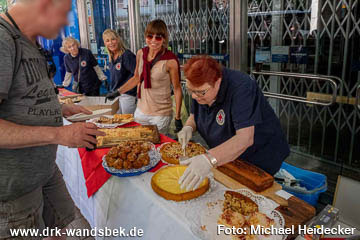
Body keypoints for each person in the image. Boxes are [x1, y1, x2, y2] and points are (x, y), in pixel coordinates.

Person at [0, 0, 105, 239]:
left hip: (44, 171)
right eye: (63, 13)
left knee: (62, 229)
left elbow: (25, 98)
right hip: (14, 191)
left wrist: (58, 108)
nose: (66, 23)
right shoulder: (3, 41)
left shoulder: (28, 42)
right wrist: (58, 134)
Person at [177, 55, 290, 191]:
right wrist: (188, 127)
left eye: (200, 92)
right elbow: (194, 115)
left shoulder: (242, 87)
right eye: (190, 91)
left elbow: (245, 138)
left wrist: (209, 159)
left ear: (218, 82)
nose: (194, 96)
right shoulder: (200, 87)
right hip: (226, 157)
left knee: (252, 195)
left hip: (258, 157)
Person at [106, 19, 183, 133]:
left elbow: (177, 89)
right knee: (140, 146)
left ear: (164, 39)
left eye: (158, 37)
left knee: (156, 147)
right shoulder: (140, 53)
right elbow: (136, 78)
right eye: (150, 36)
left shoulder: (170, 60)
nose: (153, 41)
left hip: (161, 115)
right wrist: (117, 92)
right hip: (141, 111)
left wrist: (177, 117)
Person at [102, 29, 136, 114]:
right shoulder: (111, 57)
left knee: (129, 122)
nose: (111, 43)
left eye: (113, 39)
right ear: (105, 43)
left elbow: (138, 76)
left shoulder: (126, 55)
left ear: (118, 39)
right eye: (107, 41)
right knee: (118, 121)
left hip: (127, 95)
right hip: (115, 95)